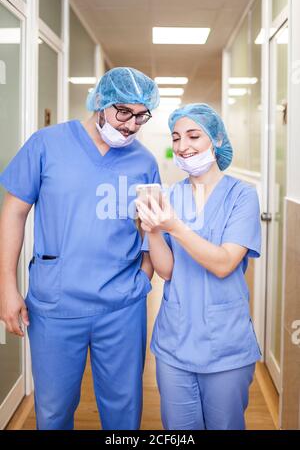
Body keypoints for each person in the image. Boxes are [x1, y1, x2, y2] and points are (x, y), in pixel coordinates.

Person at [0, 67, 161, 430]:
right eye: (124, 112)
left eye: (141, 116)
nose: (132, 125)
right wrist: (7, 287)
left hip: (122, 305)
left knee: (124, 411)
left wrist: (143, 279)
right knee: (54, 411)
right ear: (101, 102)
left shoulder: (144, 162)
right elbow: (14, 213)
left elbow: (153, 229)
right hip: (56, 304)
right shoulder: (46, 144)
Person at [136, 103, 262, 430]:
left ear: (216, 140)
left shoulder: (242, 197)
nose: (182, 146)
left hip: (225, 345)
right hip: (174, 341)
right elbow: (167, 271)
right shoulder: (171, 195)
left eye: (193, 136)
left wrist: (174, 226)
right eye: (176, 138)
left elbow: (223, 264)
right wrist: (151, 228)